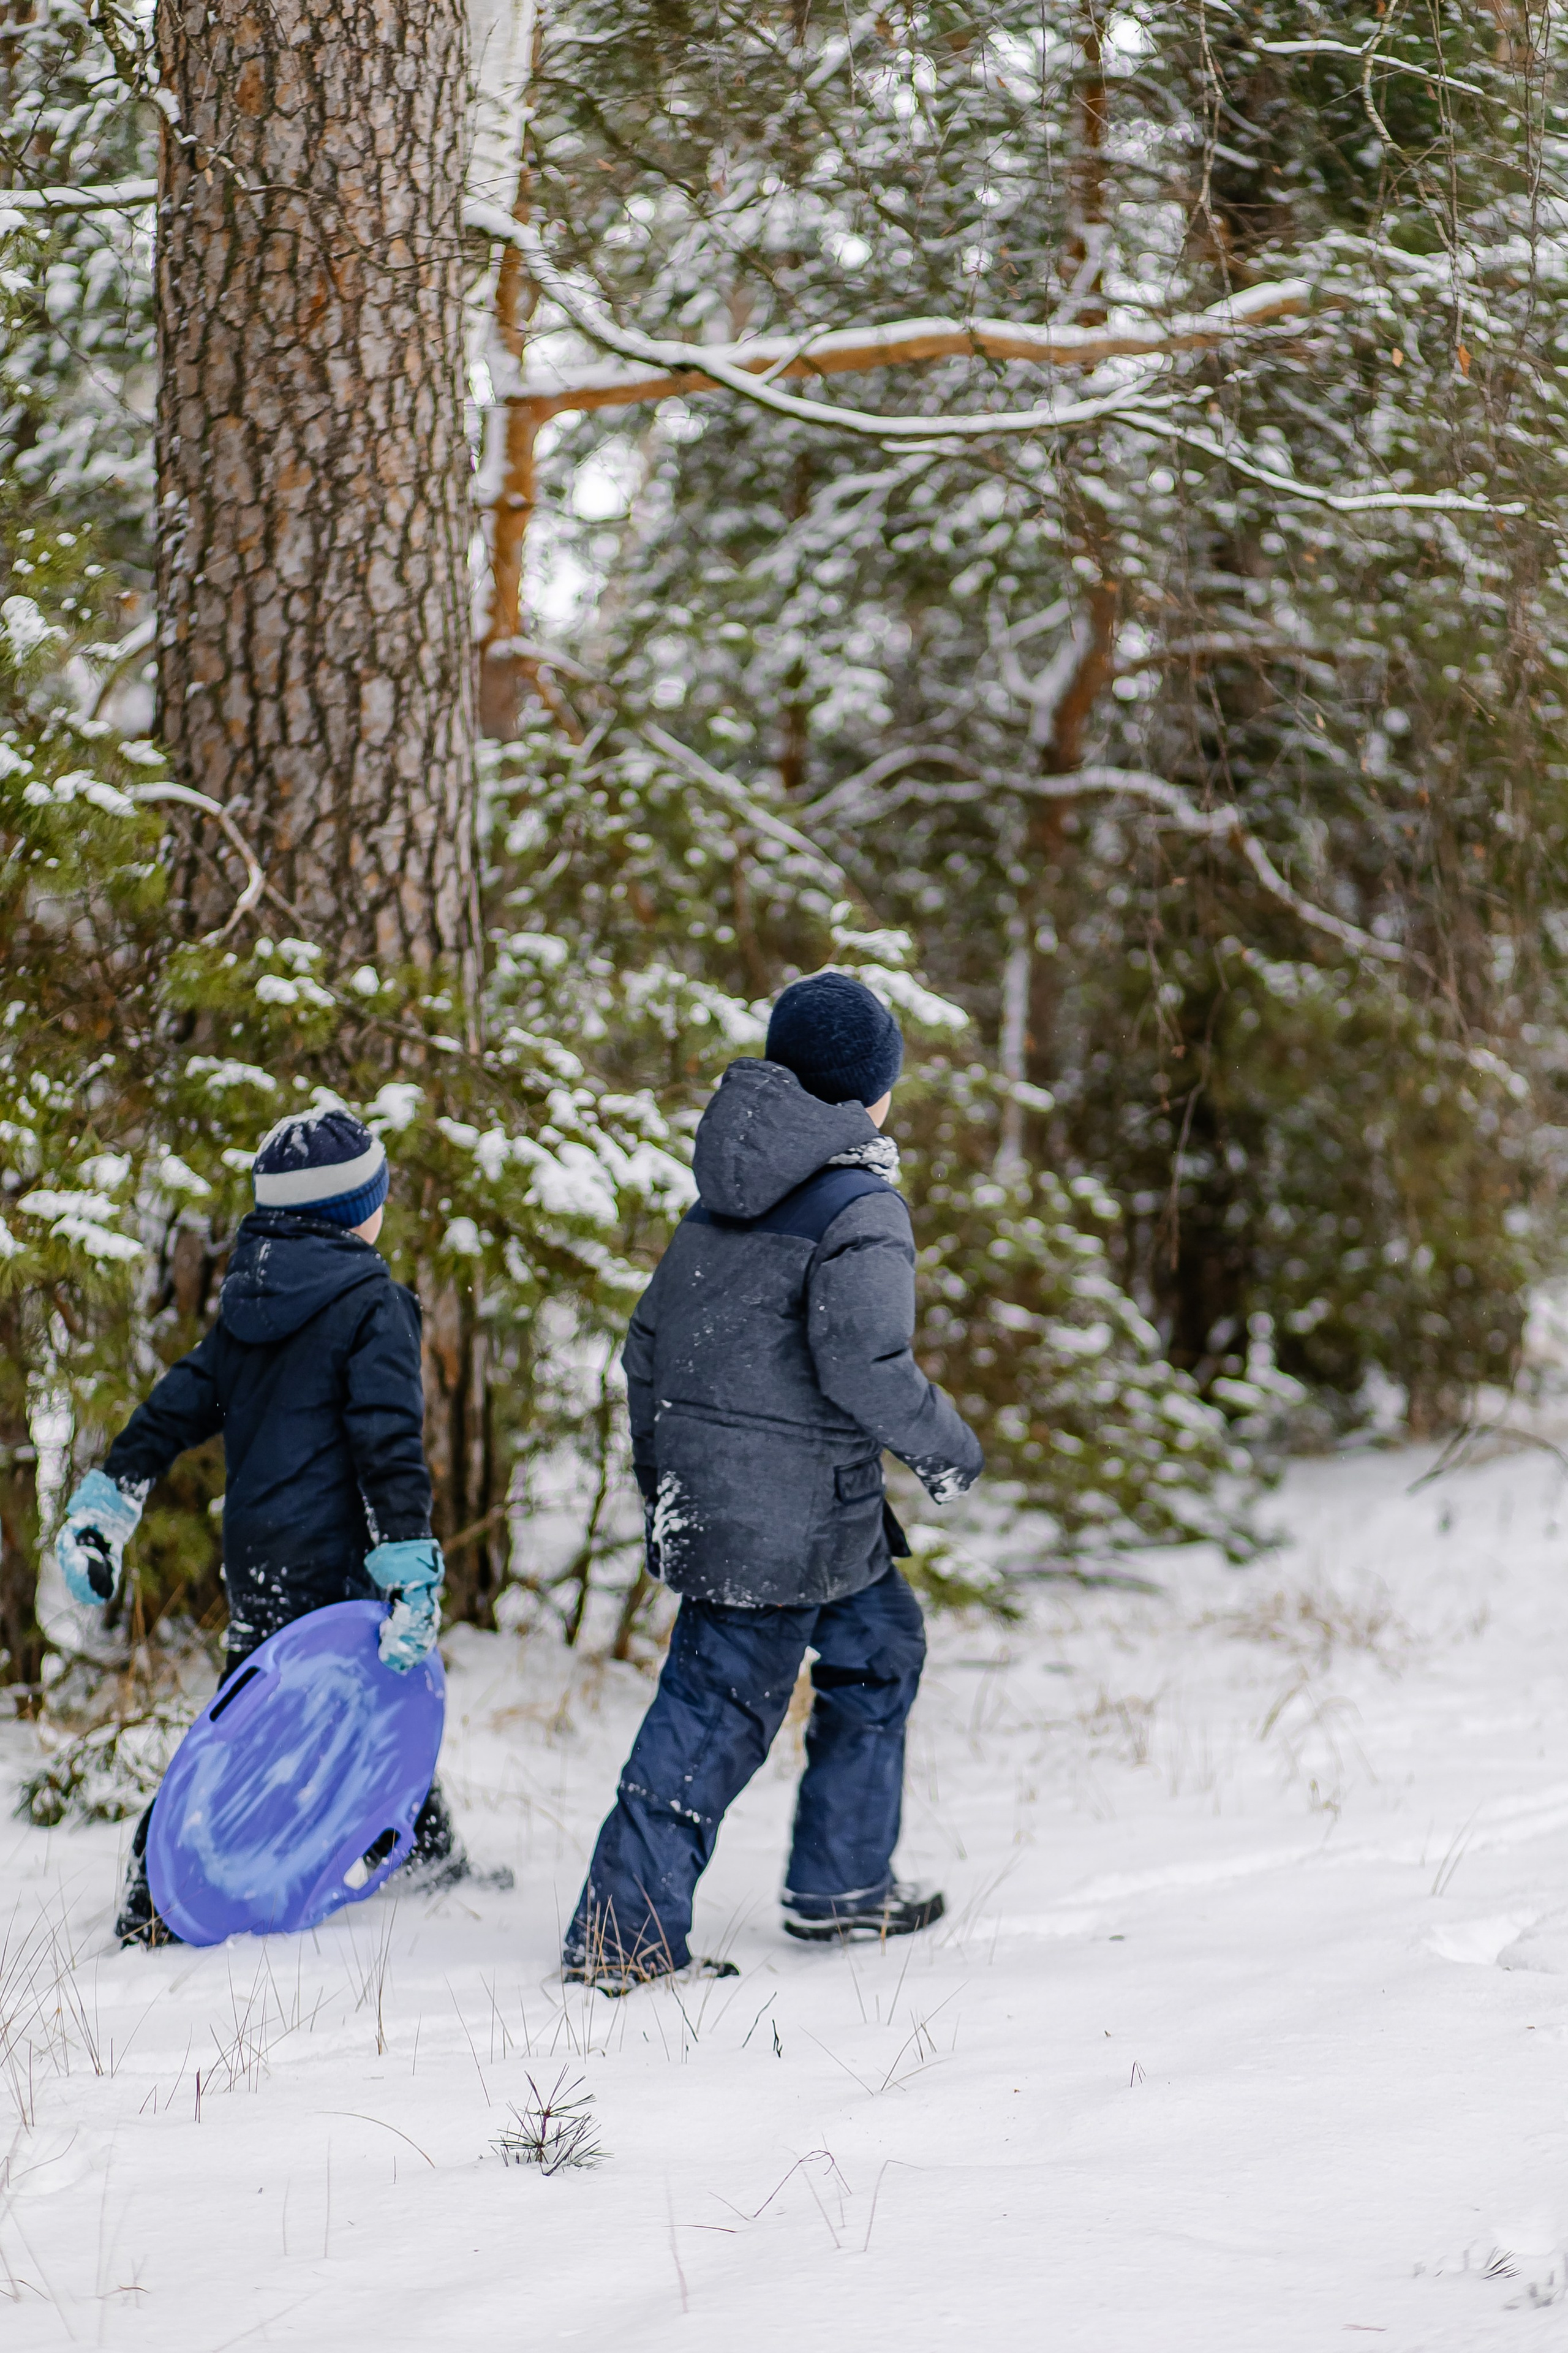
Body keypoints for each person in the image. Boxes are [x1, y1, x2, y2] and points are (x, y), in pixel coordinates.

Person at [564, 971, 983, 1994]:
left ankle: (843, 1886)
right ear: (867, 1094)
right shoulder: (862, 1206)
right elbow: (864, 1364)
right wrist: (948, 1447)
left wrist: (665, 1482)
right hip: (781, 1525)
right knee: (715, 1715)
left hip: (803, 1513)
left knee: (880, 1643)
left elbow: (645, 1346)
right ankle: (624, 1937)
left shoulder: (718, 1200)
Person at [56, 1106, 483, 1946]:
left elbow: (174, 1404)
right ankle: (160, 1883)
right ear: (355, 1209)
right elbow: (390, 1445)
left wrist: (112, 1490)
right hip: (342, 1565)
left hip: (260, 1560)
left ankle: (426, 1842)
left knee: (309, 1706)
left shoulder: (249, 1307)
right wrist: (409, 1567)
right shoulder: (373, 1305)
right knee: (270, 1730)